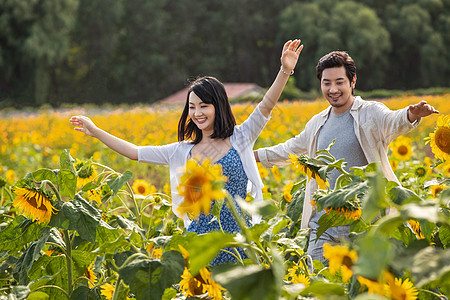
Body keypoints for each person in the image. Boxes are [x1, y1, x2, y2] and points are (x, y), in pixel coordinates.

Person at [70, 39, 304, 265]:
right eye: (192, 107)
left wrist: (284, 70)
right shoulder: (181, 151)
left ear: (219, 106)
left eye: (204, 106)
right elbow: (135, 152)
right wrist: (96, 131)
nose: (197, 113)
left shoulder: (241, 137)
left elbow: (266, 105)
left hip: (239, 247)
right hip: (198, 247)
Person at [254, 50, 438, 263]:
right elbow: (288, 149)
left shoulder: (369, 112)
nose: (333, 89)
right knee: (318, 283)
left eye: (339, 82)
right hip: (323, 224)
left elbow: (393, 120)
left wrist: (411, 114)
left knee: (361, 287)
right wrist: (250, 156)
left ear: (353, 81)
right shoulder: (317, 123)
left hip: (363, 222)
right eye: (326, 83)